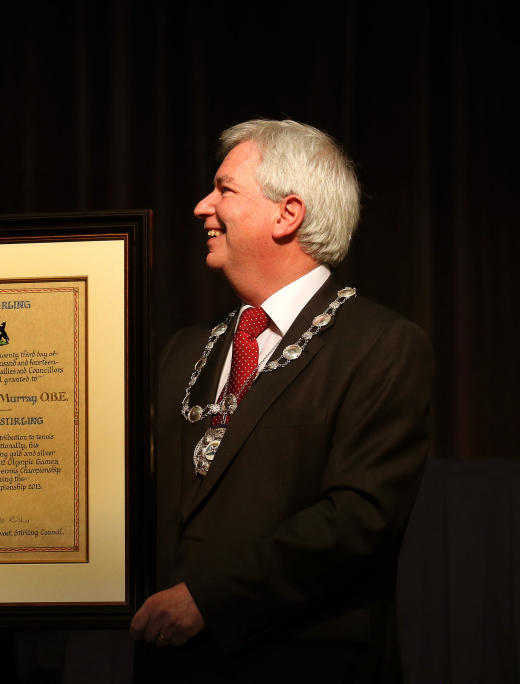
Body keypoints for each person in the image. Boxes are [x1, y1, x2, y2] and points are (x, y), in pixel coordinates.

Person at [130, 119, 432, 682]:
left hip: (302, 662)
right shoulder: (184, 350)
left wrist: (209, 598)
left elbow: (358, 520)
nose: (202, 206)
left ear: (287, 214)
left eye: (224, 189)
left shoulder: (381, 345)